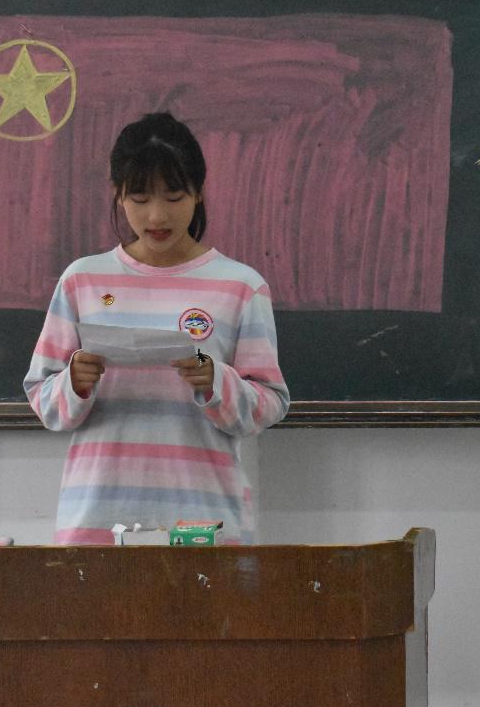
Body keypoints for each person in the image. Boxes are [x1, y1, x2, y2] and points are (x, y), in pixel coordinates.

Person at [23, 112, 289, 544]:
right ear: (118, 194)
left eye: (174, 196)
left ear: (199, 193)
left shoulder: (241, 286)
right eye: (140, 198)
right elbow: (42, 397)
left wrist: (216, 382)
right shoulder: (82, 280)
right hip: (97, 523)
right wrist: (74, 382)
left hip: (205, 525)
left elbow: (271, 403)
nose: (157, 215)